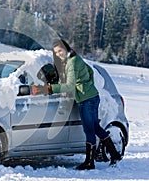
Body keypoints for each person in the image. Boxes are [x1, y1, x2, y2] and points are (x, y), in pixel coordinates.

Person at [32, 39, 122, 170]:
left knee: (89, 130)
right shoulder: (76, 58)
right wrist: (86, 85)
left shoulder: (72, 63)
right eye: (56, 53)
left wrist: (47, 89)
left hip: (86, 100)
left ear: (66, 48)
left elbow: (69, 86)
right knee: (96, 127)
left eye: (60, 51)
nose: (58, 54)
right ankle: (114, 154)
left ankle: (89, 162)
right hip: (92, 96)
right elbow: (90, 73)